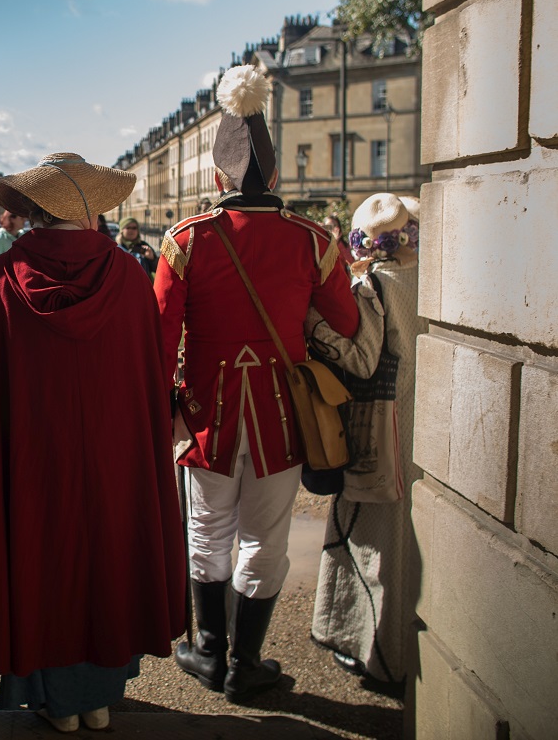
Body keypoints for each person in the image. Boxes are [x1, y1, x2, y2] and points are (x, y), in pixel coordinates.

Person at [0, 154, 186, 733]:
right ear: (92, 210)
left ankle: (54, 700)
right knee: (106, 560)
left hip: (32, 463)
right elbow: (149, 383)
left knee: (41, 561)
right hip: (113, 460)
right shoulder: (129, 278)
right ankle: (96, 700)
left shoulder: (0, 279)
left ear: (35, 211)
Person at [154, 65, 359, 703]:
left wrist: (167, 410)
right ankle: (247, 662)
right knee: (263, 537)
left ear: (217, 175)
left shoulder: (185, 241)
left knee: (207, 529)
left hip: (207, 416)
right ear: (274, 176)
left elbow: (160, 341)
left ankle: (207, 651)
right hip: (280, 417)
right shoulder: (312, 240)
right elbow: (347, 321)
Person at [307, 192, 425, 690]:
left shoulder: (372, 284)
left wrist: (313, 326)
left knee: (371, 539)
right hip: (420, 420)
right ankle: (394, 649)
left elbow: (361, 360)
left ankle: (373, 652)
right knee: (404, 540)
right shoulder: (429, 278)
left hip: (379, 425)